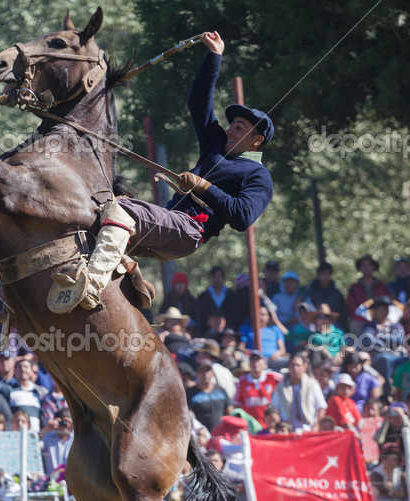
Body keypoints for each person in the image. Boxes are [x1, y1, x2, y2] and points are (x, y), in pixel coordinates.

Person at [63, 31, 274, 310]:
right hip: (171, 221)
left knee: (121, 211)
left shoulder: (259, 176)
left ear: (257, 140)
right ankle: (129, 269)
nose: (229, 130)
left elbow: (242, 217)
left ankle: (91, 285)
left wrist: (203, 186)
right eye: (231, 124)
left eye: (238, 127)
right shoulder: (216, 144)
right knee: (100, 207)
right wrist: (214, 56)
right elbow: (199, 102)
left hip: (190, 230)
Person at [270, 353, 326, 432]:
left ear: (304, 366)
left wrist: (318, 425)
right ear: (288, 367)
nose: (295, 368)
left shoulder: (312, 385)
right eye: (292, 365)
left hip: (309, 430)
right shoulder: (280, 388)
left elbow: (321, 407)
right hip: (288, 432)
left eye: (298, 365)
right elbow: (274, 409)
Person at [234, 351, 282, 427]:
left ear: (264, 363)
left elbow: (287, 380)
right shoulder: (242, 382)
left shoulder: (272, 377)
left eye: (258, 360)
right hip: (250, 426)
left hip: (270, 426)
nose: (255, 363)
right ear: (249, 363)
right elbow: (237, 405)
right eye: (252, 360)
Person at [187, 359, 230, 432]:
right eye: (202, 371)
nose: (205, 374)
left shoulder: (221, 390)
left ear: (212, 373)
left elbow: (229, 411)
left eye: (207, 371)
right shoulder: (190, 393)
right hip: (201, 437)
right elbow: (189, 416)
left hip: (221, 435)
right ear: (196, 373)